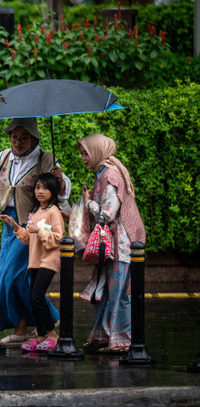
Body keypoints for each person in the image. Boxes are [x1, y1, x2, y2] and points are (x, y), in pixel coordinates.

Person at [0, 117, 70, 346]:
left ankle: (49, 320)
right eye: (14, 137)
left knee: (11, 277)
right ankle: (23, 329)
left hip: (33, 225)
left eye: (24, 138)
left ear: (33, 138)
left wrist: (60, 182)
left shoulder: (45, 159)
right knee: (14, 279)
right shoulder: (3, 157)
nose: (18, 142)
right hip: (9, 225)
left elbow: (62, 190)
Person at [78, 133, 145, 354]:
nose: (83, 158)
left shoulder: (111, 175)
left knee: (119, 293)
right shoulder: (101, 174)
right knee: (104, 291)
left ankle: (122, 341)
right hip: (111, 244)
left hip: (122, 246)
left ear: (98, 152)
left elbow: (107, 214)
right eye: (82, 153)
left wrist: (89, 204)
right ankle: (104, 336)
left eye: (86, 153)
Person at [0, 173, 65, 352]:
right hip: (34, 260)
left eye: (45, 188)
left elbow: (58, 238)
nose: (40, 191)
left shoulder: (53, 212)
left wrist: (39, 231)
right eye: (37, 188)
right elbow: (29, 239)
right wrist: (16, 226)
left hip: (48, 260)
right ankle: (41, 335)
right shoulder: (34, 212)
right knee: (33, 297)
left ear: (54, 191)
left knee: (37, 295)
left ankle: (52, 335)